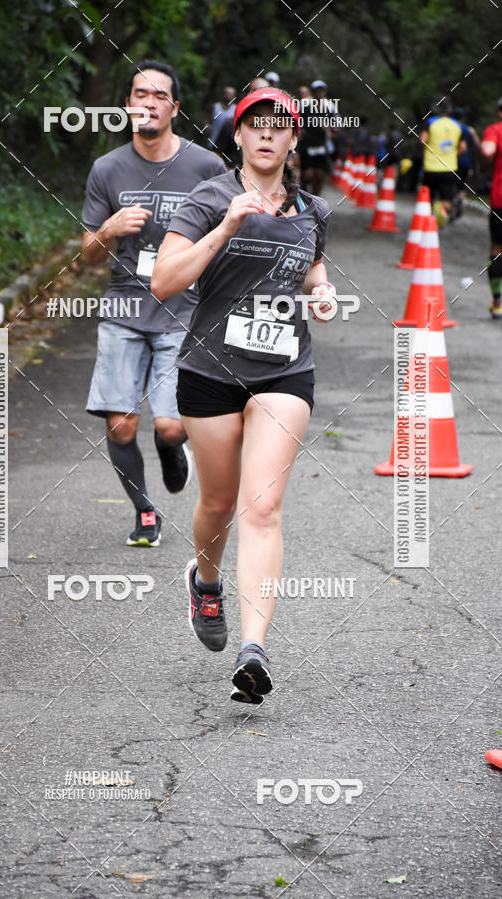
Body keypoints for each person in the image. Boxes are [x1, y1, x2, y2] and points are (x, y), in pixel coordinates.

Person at [151, 87, 336, 703]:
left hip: (285, 370)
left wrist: (323, 288)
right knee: (219, 503)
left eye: (278, 125)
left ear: (291, 140)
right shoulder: (207, 199)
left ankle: (253, 650)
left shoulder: (311, 209)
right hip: (209, 372)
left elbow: (309, 264)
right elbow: (164, 282)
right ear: (236, 136)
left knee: (262, 508)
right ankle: (205, 579)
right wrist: (227, 225)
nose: (265, 133)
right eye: (253, 123)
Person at [81, 59, 226, 546]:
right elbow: (86, 256)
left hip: (184, 312)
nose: (148, 102)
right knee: (121, 426)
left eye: (159, 96)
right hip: (123, 310)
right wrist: (108, 229)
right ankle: (145, 511)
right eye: (140, 94)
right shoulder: (107, 168)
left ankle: (171, 448)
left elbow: (229, 236)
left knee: (169, 426)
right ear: (127, 105)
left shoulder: (205, 166)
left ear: (174, 108)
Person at [419, 96, 466, 227]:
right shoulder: (457, 125)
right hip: (449, 168)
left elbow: (422, 140)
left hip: (431, 167)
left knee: (428, 197)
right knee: (447, 198)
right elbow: (463, 147)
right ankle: (442, 215)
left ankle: (427, 220)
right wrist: (452, 154)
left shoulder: (430, 122)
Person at [215, 77, 270, 168]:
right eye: (255, 93)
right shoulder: (231, 124)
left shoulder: (277, 129)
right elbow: (217, 153)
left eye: (265, 95)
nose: (260, 99)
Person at [293, 79, 333, 195]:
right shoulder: (305, 108)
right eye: (317, 91)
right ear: (313, 92)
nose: (319, 93)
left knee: (320, 175)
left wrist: (329, 129)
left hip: (321, 146)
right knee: (307, 175)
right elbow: (296, 122)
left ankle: (316, 199)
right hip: (307, 145)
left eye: (321, 90)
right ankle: (305, 195)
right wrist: (301, 130)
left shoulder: (328, 109)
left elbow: (335, 126)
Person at [481, 98, 502, 319]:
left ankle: (497, 301)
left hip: (500, 200)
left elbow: (488, 150)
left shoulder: (495, 130)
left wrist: (485, 162)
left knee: (497, 249)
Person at [208, 85, 236, 149]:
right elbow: (208, 122)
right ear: (223, 94)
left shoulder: (236, 110)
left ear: (234, 96)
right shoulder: (215, 107)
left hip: (226, 146)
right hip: (212, 141)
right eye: (227, 94)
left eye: (230, 94)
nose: (228, 96)